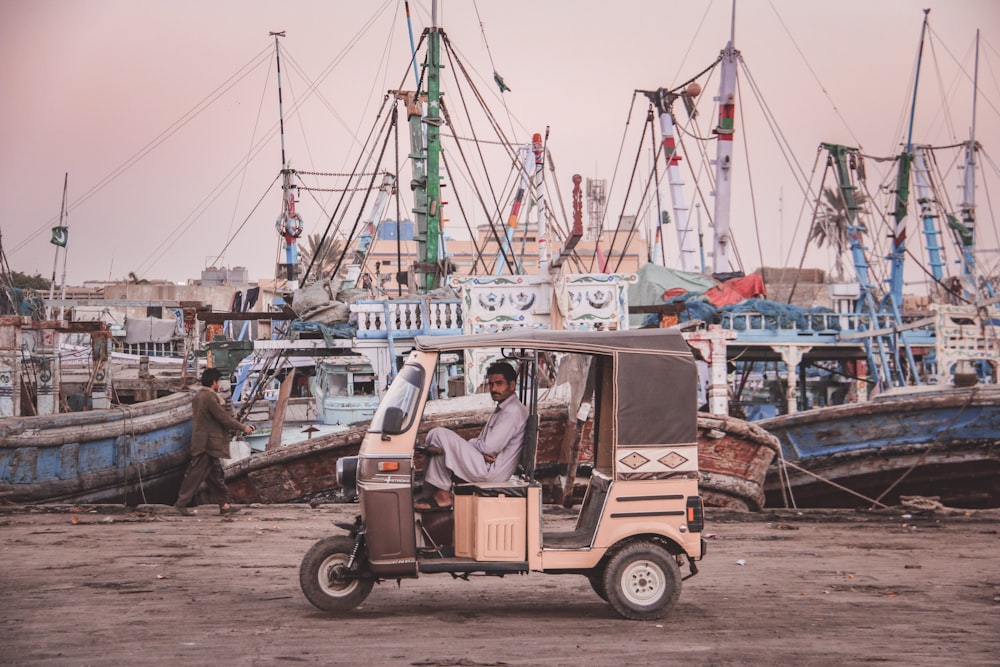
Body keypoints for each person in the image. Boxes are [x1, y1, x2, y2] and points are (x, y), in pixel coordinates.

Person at [415, 361, 528, 511]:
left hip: (491, 471)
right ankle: (435, 493)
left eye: (499, 384)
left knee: (439, 435)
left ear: (512, 385)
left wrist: (477, 448)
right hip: (487, 465)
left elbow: (489, 448)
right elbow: (485, 446)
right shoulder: (505, 408)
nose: (494, 389)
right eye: (491, 384)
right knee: (435, 438)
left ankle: (442, 496)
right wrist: (477, 448)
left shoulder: (512, 411)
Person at [174, 367, 254, 516]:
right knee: (196, 474)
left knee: (215, 476)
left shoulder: (199, 396)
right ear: (214, 382)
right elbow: (223, 418)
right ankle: (181, 502)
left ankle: (224, 505)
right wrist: (244, 428)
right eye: (217, 381)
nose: (218, 385)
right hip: (207, 443)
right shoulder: (209, 397)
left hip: (207, 442)